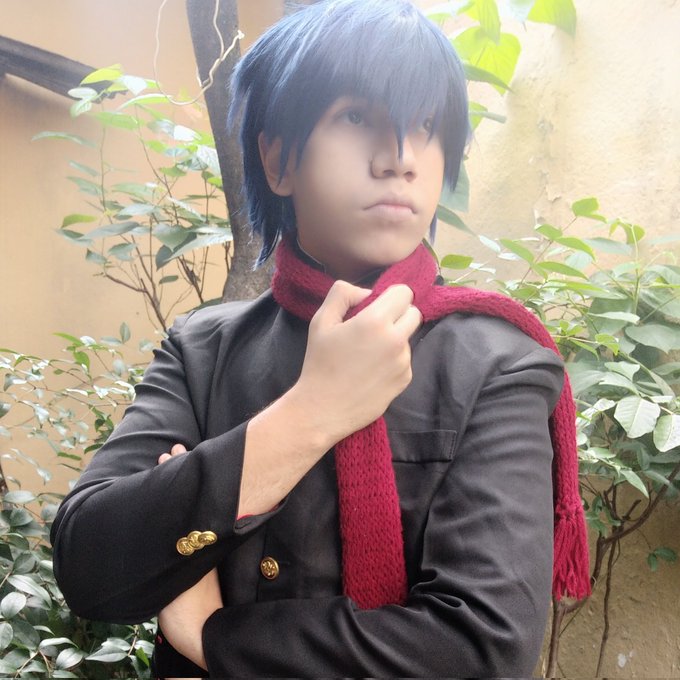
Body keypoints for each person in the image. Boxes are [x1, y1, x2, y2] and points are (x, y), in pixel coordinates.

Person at [51, 0, 590, 677]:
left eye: (425, 126)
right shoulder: (203, 350)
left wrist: (215, 639)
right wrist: (309, 416)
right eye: (357, 117)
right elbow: (90, 566)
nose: (400, 158)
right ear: (278, 159)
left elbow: (483, 648)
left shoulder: (499, 364)